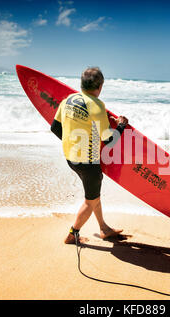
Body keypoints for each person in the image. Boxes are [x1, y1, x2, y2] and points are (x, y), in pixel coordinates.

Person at [51, 67, 128, 244]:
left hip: (71, 158)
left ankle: (104, 228)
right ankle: (72, 234)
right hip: (88, 163)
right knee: (90, 200)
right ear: (100, 86)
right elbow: (109, 140)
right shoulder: (97, 105)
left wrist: (75, 142)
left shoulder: (68, 100)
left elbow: (55, 128)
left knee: (93, 196)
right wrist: (122, 126)